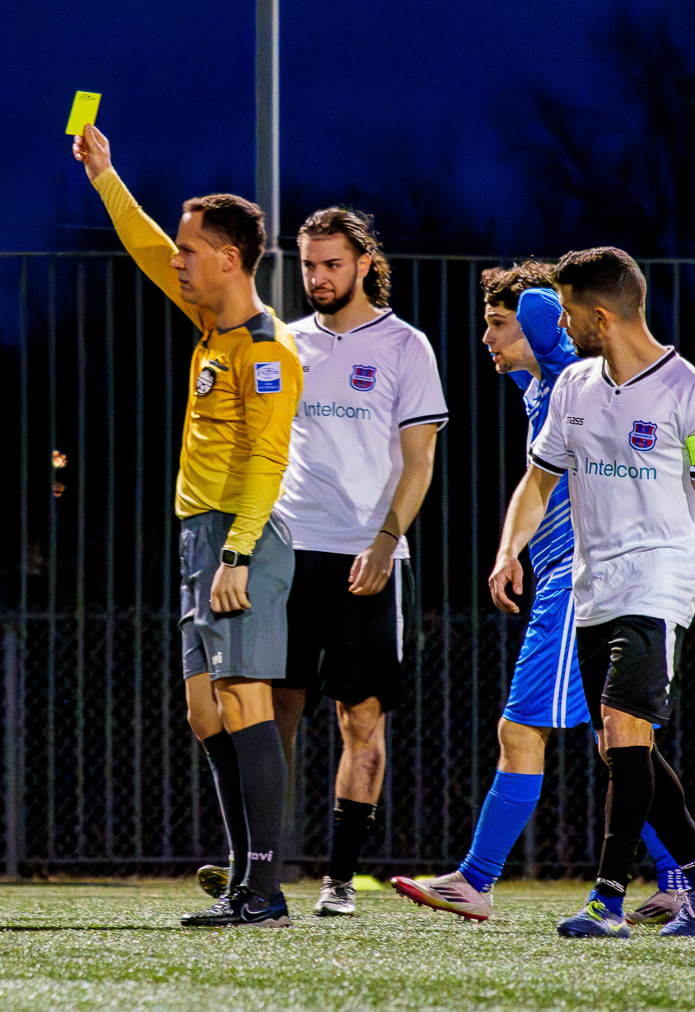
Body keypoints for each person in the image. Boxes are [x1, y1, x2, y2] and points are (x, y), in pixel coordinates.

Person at [390, 264, 688, 924]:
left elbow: (548, 322)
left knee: (520, 728)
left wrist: (536, 301)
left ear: (538, 327)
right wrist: (508, 552)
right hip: (572, 574)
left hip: (577, 583)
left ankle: (475, 880)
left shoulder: (564, 375)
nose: (488, 337)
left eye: (499, 325)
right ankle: (682, 875)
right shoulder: (538, 386)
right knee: (619, 742)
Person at [489, 247, 695, 938]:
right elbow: (538, 480)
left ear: (600, 316)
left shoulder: (694, 395)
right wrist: (508, 549)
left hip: (660, 582)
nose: (563, 327)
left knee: (620, 729)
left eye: (570, 313)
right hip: (593, 584)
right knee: (620, 746)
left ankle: (606, 902)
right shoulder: (576, 386)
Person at [73, 124, 303, 927]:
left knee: (246, 704)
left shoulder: (268, 351)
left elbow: (269, 462)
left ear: (231, 259)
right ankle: (246, 876)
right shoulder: (214, 327)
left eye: (190, 248)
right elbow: (141, 248)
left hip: (241, 543)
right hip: (197, 541)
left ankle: (265, 889)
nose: (176, 258)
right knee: (205, 713)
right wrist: (106, 173)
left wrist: (237, 554)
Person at [237, 206, 445, 917]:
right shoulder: (285, 343)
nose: (319, 277)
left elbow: (420, 463)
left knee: (362, 721)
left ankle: (340, 878)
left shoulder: (406, 346)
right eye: (308, 266)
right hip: (288, 555)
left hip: (370, 558)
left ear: (363, 264)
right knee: (272, 716)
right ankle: (259, 869)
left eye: (332, 264)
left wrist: (386, 540)